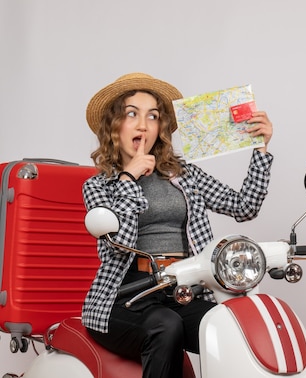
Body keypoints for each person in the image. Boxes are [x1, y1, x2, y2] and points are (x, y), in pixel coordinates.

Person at [81, 72, 273, 378]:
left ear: (161, 127)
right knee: (165, 326)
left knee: (231, 326)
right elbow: (116, 249)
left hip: (183, 290)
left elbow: (244, 207)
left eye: (153, 116)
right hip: (125, 296)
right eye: (132, 114)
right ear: (115, 126)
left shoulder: (186, 175)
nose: (143, 124)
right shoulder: (99, 186)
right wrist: (129, 178)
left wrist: (260, 150)